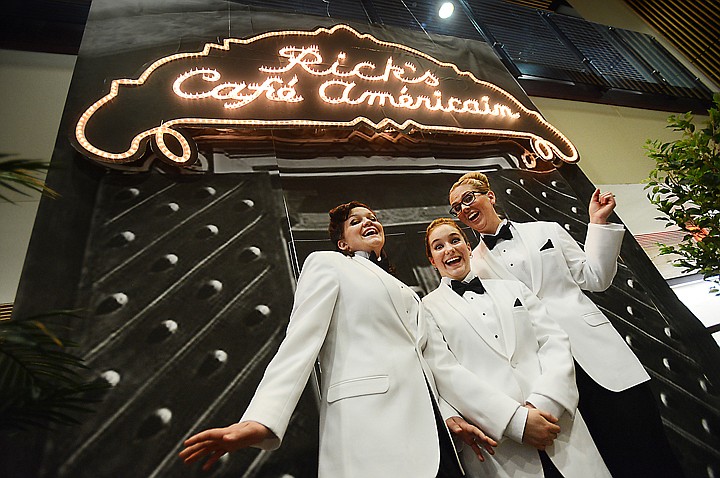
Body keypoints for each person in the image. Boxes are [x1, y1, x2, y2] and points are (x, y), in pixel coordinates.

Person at [180, 201, 507, 478]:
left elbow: (437, 364)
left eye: (373, 219)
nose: (369, 222)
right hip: (369, 431)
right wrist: (261, 419)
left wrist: (448, 412)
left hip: (434, 433)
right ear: (343, 243)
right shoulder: (328, 265)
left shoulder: (408, 291)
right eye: (356, 221)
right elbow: (298, 344)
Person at [447, 171, 685, 478]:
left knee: (649, 447)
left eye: (469, 198)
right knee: (602, 458)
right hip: (549, 376)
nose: (464, 208)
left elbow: (596, 278)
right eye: (456, 207)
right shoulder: (475, 266)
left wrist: (597, 225)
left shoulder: (546, 230)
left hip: (598, 356)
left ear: (489, 196)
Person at [422, 218, 611, 478]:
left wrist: (545, 402)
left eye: (455, 240)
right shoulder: (427, 309)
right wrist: (515, 421)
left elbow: (553, 341)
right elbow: (446, 372)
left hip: (556, 424)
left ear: (468, 246)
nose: (449, 249)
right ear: (432, 260)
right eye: (438, 246)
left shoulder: (514, 289)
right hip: (502, 445)